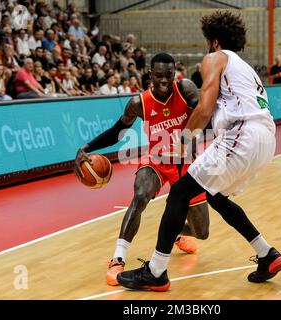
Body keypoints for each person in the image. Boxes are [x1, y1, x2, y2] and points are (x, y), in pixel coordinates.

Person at [117, 11, 281, 292]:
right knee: (215, 196)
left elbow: (204, 108)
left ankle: (157, 271)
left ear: (215, 40)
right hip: (266, 138)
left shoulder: (215, 57)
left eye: (207, 40)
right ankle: (267, 253)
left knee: (180, 193)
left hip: (242, 133)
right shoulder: (245, 67)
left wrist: (182, 141)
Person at [74, 53, 210, 286]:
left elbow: (205, 113)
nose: (164, 80)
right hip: (156, 162)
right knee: (139, 196)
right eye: (159, 76)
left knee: (202, 232)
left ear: (175, 73)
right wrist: (86, 147)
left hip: (187, 164)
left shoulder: (185, 89)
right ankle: (118, 258)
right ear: (150, 75)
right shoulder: (139, 103)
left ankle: (175, 232)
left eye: (169, 75)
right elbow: (117, 131)